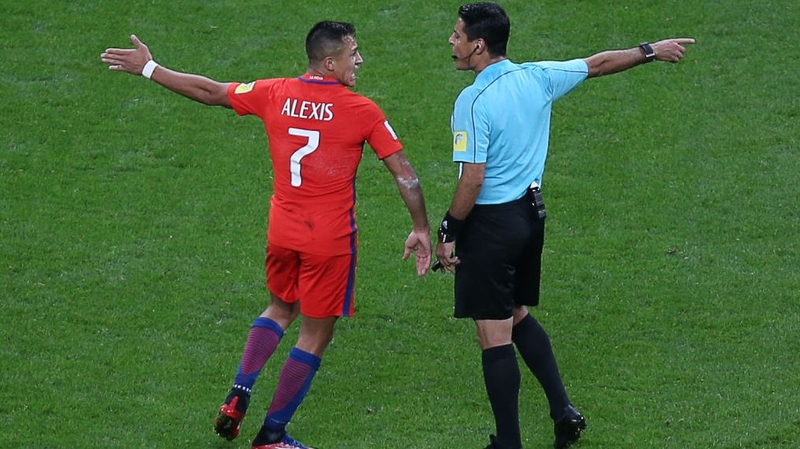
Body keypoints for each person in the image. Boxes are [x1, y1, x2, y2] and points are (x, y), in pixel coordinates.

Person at [101, 21, 431, 449]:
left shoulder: (274, 91)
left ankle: (240, 390)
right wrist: (421, 227)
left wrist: (150, 68)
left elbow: (211, 92)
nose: (360, 60)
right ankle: (271, 436)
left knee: (280, 307)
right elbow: (405, 176)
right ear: (330, 63)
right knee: (315, 335)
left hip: (283, 231)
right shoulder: (362, 110)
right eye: (354, 53)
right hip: (329, 240)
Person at [433, 3, 693, 449]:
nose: (451, 43)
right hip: (529, 218)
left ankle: (509, 443)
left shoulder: (472, 100)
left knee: (492, 335)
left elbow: (472, 177)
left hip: (492, 226)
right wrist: (650, 50)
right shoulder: (537, 76)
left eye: (457, 36)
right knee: (515, 315)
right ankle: (564, 413)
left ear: (478, 45)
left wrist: (448, 230)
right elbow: (597, 64)